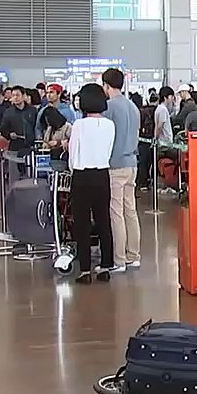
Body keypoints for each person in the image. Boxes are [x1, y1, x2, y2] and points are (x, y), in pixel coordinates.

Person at [68, 83, 116, 284]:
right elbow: (109, 151)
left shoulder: (79, 125)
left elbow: (73, 153)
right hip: (102, 175)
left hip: (82, 175)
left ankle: (85, 270)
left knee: (82, 223)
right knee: (103, 220)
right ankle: (106, 266)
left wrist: (74, 170)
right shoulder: (109, 125)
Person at [101, 68, 142, 273]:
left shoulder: (108, 107)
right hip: (132, 163)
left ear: (106, 85)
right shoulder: (133, 107)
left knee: (116, 213)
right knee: (130, 211)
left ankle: (119, 260)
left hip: (115, 165)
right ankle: (134, 255)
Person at [0, 86, 37, 175]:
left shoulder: (32, 110)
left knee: (31, 173)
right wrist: (9, 135)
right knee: (16, 174)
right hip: (15, 147)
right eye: (13, 95)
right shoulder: (8, 112)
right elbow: (3, 129)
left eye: (17, 95)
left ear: (24, 96)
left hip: (30, 146)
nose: (15, 97)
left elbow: (37, 126)